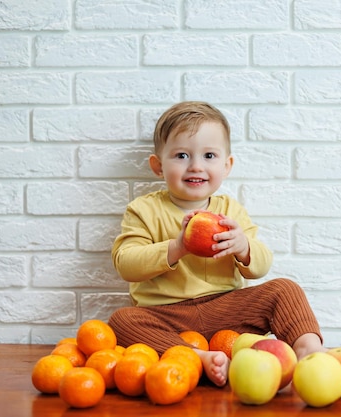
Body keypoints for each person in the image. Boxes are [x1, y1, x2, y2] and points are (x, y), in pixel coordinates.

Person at [108, 101, 325, 387]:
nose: (196, 166)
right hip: (167, 316)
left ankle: (311, 356)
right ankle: (197, 358)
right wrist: (178, 247)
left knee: (285, 289)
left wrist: (243, 247)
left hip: (226, 311)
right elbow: (126, 264)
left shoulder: (230, 211)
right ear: (158, 166)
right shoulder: (142, 210)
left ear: (227, 165)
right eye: (182, 155)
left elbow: (260, 266)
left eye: (209, 155)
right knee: (121, 321)